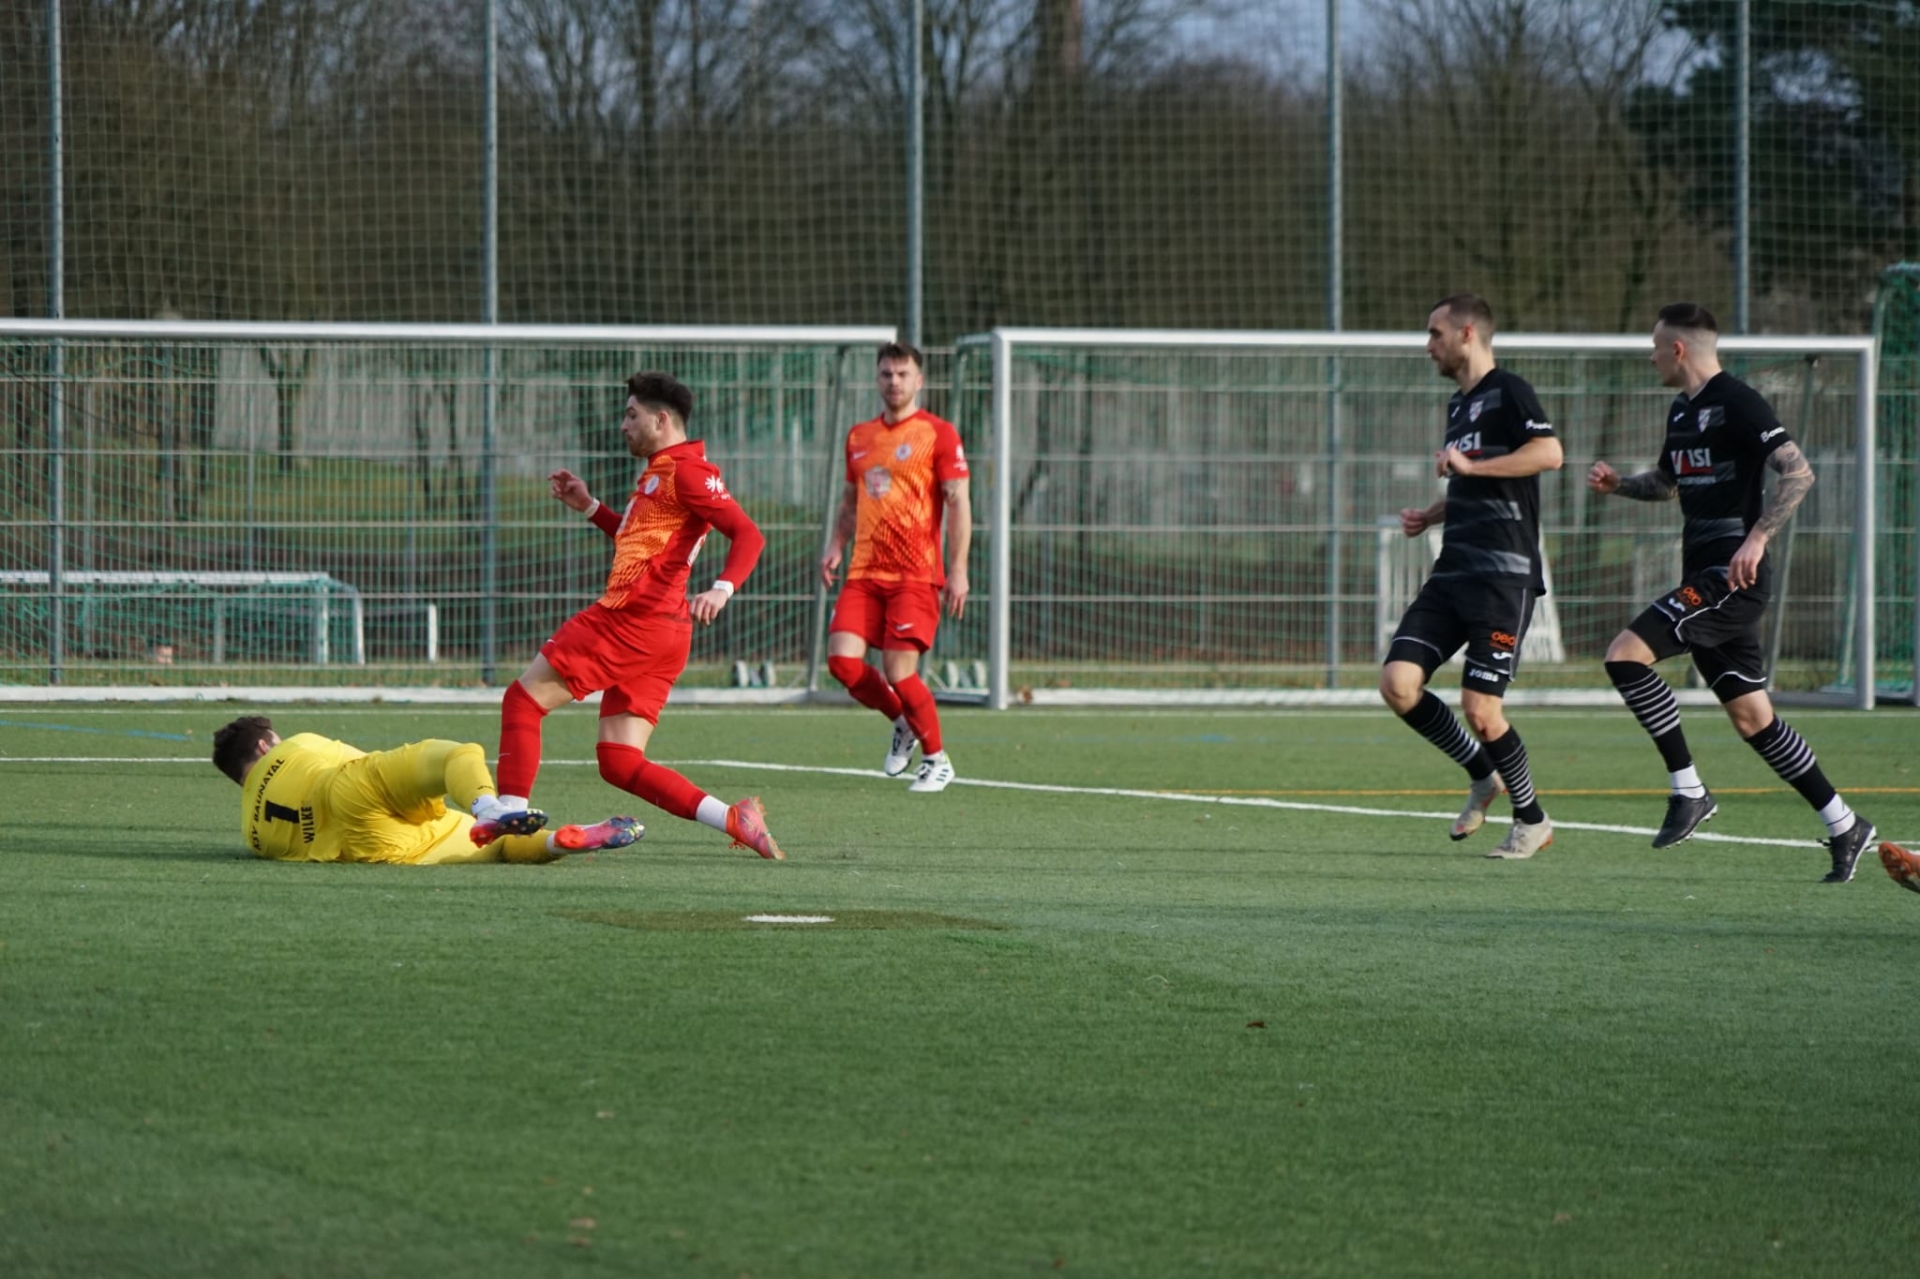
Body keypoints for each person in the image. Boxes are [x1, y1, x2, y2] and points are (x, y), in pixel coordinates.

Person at [1587, 302, 1875, 881]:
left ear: (1677, 349)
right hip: (1703, 575)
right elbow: (1667, 484)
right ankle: (1845, 824)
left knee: (1625, 655)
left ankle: (1689, 791)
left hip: (1730, 579)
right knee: (1753, 718)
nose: (1650, 357)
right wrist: (1619, 485)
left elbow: (1798, 472)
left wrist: (1757, 538)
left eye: (1655, 347)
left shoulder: (1739, 401)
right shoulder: (1681, 410)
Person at [484, 371, 783, 859]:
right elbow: (638, 542)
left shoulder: (687, 471)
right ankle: (733, 817)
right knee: (619, 760)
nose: (623, 425)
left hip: (631, 620)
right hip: (664, 632)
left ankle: (508, 816)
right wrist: (589, 506)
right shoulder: (659, 472)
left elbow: (749, 534)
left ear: (661, 420)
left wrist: (722, 588)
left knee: (523, 700)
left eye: (631, 415)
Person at [1380, 294, 1563, 859]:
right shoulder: (1459, 406)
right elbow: (1474, 481)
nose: (1427, 345)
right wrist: (1431, 514)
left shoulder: (1510, 390)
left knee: (1482, 710)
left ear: (1466, 334)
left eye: (1434, 333)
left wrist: (1471, 466)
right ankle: (1483, 776)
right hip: (1452, 573)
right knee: (1398, 684)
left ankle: (1532, 820)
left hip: (1502, 580)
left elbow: (1549, 453)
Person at [818, 342, 972, 793]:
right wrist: (835, 545)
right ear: (877, 378)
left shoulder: (938, 433)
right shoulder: (859, 436)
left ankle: (937, 759)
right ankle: (903, 721)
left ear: (918, 381)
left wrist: (958, 570)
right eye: (886, 373)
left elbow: (959, 504)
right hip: (864, 571)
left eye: (903, 374)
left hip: (915, 574)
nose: (894, 382)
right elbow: (850, 501)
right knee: (842, 663)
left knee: (899, 671)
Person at [211, 715, 640, 864]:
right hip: (348, 790)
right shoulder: (296, 746)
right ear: (265, 746)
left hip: (365, 848)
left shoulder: (252, 834)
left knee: (497, 847)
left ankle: (558, 842)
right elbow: (360, 763)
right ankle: (489, 807)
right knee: (456, 755)